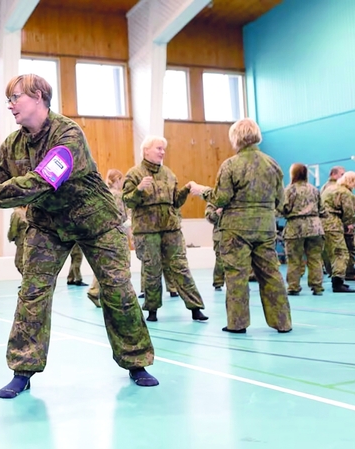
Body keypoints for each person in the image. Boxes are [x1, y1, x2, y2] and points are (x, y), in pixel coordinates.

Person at [0, 74, 158, 396]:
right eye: (9, 99)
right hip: (47, 224)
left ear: (37, 96)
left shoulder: (68, 134)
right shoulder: (12, 146)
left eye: (15, 97)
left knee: (118, 291)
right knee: (32, 292)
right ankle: (23, 369)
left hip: (97, 222)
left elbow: (45, 179)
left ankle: (136, 361)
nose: (9, 105)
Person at [189, 118, 292, 334]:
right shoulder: (272, 164)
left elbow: (221, 198)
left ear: (235, 138)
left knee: (236, 275)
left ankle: (237, 323)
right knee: (271, 274)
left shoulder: (231, 165)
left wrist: (203, 191)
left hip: (236, 230)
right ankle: (282, 322)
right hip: (265, 227)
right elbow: (281, 202)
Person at [122, 136, 207, 322]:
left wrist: (186, 190)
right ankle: (152, 310)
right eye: (158, 148)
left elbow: (176, 201)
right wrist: (138, 189)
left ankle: (195, 308)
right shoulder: (134, 174)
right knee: (152, 271)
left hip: (170, 229)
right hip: (147, 232)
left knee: (181, 267)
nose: (162, 152)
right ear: (146, 150)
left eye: (163, 149)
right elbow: (127, 200)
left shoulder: (169, 173)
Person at [281, 163, 325, 296]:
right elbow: (322, 209)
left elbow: (284, 208)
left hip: (295, 227)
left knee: (294, 259)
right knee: (315, 258)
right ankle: (317, 286)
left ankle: (293, 286)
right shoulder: (314, 189)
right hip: (315, 227)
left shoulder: (289, 190)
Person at [87, 168, 129, 307]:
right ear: (117, 180)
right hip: (115, 233)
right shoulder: (118, 195)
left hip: (101, 232)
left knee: (103, 264)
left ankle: (95, 290)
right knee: (117, 267)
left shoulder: (102, 193)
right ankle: (117, 297)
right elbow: (121, 215)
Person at [321, 171, 355, 293]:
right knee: (341, 253)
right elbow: (348, 213)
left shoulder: (329, 188)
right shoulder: (346, 193)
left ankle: (332, 276)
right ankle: (338, 283)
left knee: (327, 253)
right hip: (333, 224)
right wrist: (352, 222)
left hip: (320, 223)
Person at [321, 166, 345, 275]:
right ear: (334, 174)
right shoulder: (335, 188)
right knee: (339, 252)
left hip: (324, 223)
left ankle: (331, 272)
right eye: (341, 174)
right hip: (333, 223)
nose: (343, 177)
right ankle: (337, 275)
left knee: (327, 251)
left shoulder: (325, 187)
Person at [7, 205, 29, 276]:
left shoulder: (17, 213)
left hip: (22, 239)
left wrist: (10, 237)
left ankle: (28, 282)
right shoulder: (28, 211)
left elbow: (13, 227)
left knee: (19, 262)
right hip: (31, 239)